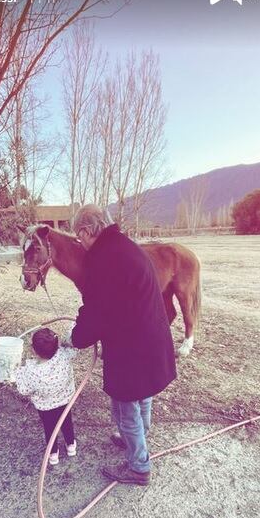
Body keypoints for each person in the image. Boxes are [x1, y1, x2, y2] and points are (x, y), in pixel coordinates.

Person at [70, 204, 176, 486]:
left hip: (131, 348)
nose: (79, 242)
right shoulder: (127, 245)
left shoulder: (102, 259)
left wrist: (77, 337)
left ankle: (139, 467)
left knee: (125, 408)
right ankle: (140, 436)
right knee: (143, 395)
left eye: (79, 236)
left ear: (87, 230)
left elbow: (96, 310)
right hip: (151, 339)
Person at [15, 328, 77, 466]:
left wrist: (17, 370)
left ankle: (53, 454)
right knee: (66, 422)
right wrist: (70, 332)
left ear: (33, 349)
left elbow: (24, 389)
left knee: (50, 427)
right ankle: (71, 446)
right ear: (57, 344)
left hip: (45, 407)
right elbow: (73, 348)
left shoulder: (31, 371)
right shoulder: (63, 355)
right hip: (65, 400)